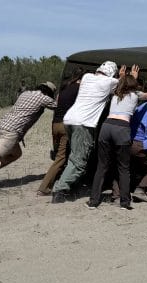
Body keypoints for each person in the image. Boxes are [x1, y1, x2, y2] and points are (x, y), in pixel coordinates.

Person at [87, 70, 147, 210]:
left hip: (106, 127)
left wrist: (122, 76)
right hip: (122, 129)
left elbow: (121, 84)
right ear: (133, 84)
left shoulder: (114, 94)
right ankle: (124, 202)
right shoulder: (135, 95)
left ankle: (93, 201)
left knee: (102, 167)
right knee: (123, 168)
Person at [50, 61, 121, 202]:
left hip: (69, 119)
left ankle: (71, 185)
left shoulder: (87, 77)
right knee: (79, 161)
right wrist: (125, 76)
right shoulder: (110, 82)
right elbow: (123, 86)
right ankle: (60, 189)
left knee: (74, 155)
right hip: (83, 123)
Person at [36, 68, 84, 196]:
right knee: (61, 158)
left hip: (55, 124)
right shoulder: (79, 89)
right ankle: (44, 187)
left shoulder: (65, 88)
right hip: (65, 125)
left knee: (60, 155)